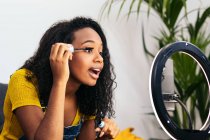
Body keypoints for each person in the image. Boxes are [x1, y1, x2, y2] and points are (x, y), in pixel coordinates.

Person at [0, 16, 120, 140]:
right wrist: (60, 82)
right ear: (64, 52)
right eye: (88, 49)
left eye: (101, 52)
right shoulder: (23, 80)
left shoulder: (88, 94)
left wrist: (102, 136)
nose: (100, 59)